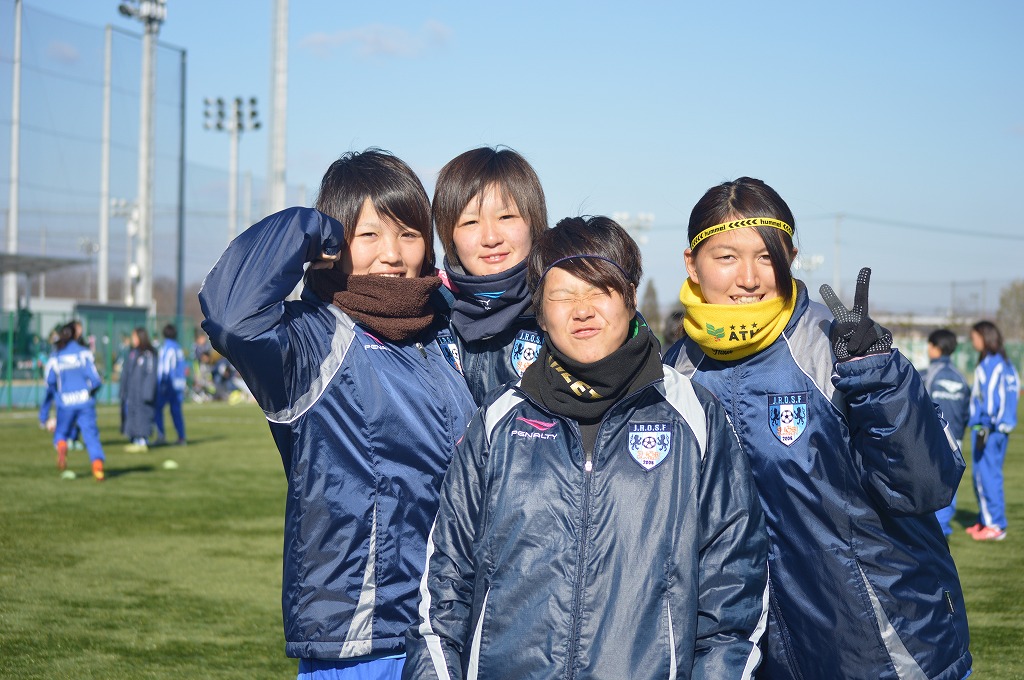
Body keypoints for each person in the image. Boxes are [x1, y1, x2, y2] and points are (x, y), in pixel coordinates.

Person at [403, 216, 769, 679]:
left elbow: (733, 594)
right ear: (540, 309)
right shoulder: (499, 422)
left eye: (599, 290)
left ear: (631, 296)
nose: (582, 310)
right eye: (562, 294)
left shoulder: (694, 416)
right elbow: (444, 590)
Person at [663, 177, 971, 680]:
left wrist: (881, 380)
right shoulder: (676, 374)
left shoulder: (839, 347)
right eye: (726, 257)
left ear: (792, 258)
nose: (748, 278)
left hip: (880, 648)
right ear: (691, 264)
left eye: (766, 257)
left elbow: (926, 486)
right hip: (751, 659)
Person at [199, 148, 477, 680]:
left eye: (408, 233)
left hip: (446, 631)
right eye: (368, 235)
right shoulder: (311, 338)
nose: (392, 254)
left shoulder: (443, 335)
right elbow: (231, 316)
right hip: (360, 643)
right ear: (333, 245)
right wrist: (305, 228)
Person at [433, 146, 548, 405]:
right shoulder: (430, 318)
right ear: (448, 234)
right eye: (470, 222)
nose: (491, 238)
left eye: (506, 216)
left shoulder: (567, 312)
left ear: (534, 223)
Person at [965, 320, 1020, 541]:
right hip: (999, 429)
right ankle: (985, 520)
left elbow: (990, 400)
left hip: (988, 428)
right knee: (986, 475)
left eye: (975, 337)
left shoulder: (991, 364)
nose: (972, 341)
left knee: (986, 476)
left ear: (985, 337)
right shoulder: (1005, 363)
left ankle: (995, 525)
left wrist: (984, 425)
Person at [39, 322, 106, 481]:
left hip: (65, 402)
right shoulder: (84, 353)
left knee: (61, 432)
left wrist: (44, 413)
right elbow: (96, 380)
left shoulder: (56, 357)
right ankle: (97, 468)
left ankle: (62, 446)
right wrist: (89, 393)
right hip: (84, 401)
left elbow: (50, 382)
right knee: (91, 436)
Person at [925, 329, 971, 537]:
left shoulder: (927, 374)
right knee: (950, 484)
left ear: (935, 348)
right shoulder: (960, 377)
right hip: (955, 439)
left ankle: (933, 531)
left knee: (927, 484)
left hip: (930, 439)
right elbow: (966, 411)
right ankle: (944, 530)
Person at [120, 326, 157, 452]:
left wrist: (148, 392)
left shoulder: (149, 353)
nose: (132, 339)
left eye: (134, 336)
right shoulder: (132, 353)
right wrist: (123, 391)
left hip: (143, 392)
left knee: (143, 414)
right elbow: (126, 373)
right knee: (132, 413)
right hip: (132, 392)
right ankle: (134, 437)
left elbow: (151, 374)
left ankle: (142, 439)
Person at [155, 323, 187, 445]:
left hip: (168, 384)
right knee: (176, 411)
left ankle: (161, 435)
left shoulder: (167, 347)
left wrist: (162, 383)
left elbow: (167, 368)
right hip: (178, 384)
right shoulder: (178, 347)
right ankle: (181, 437)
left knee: (157, 408)